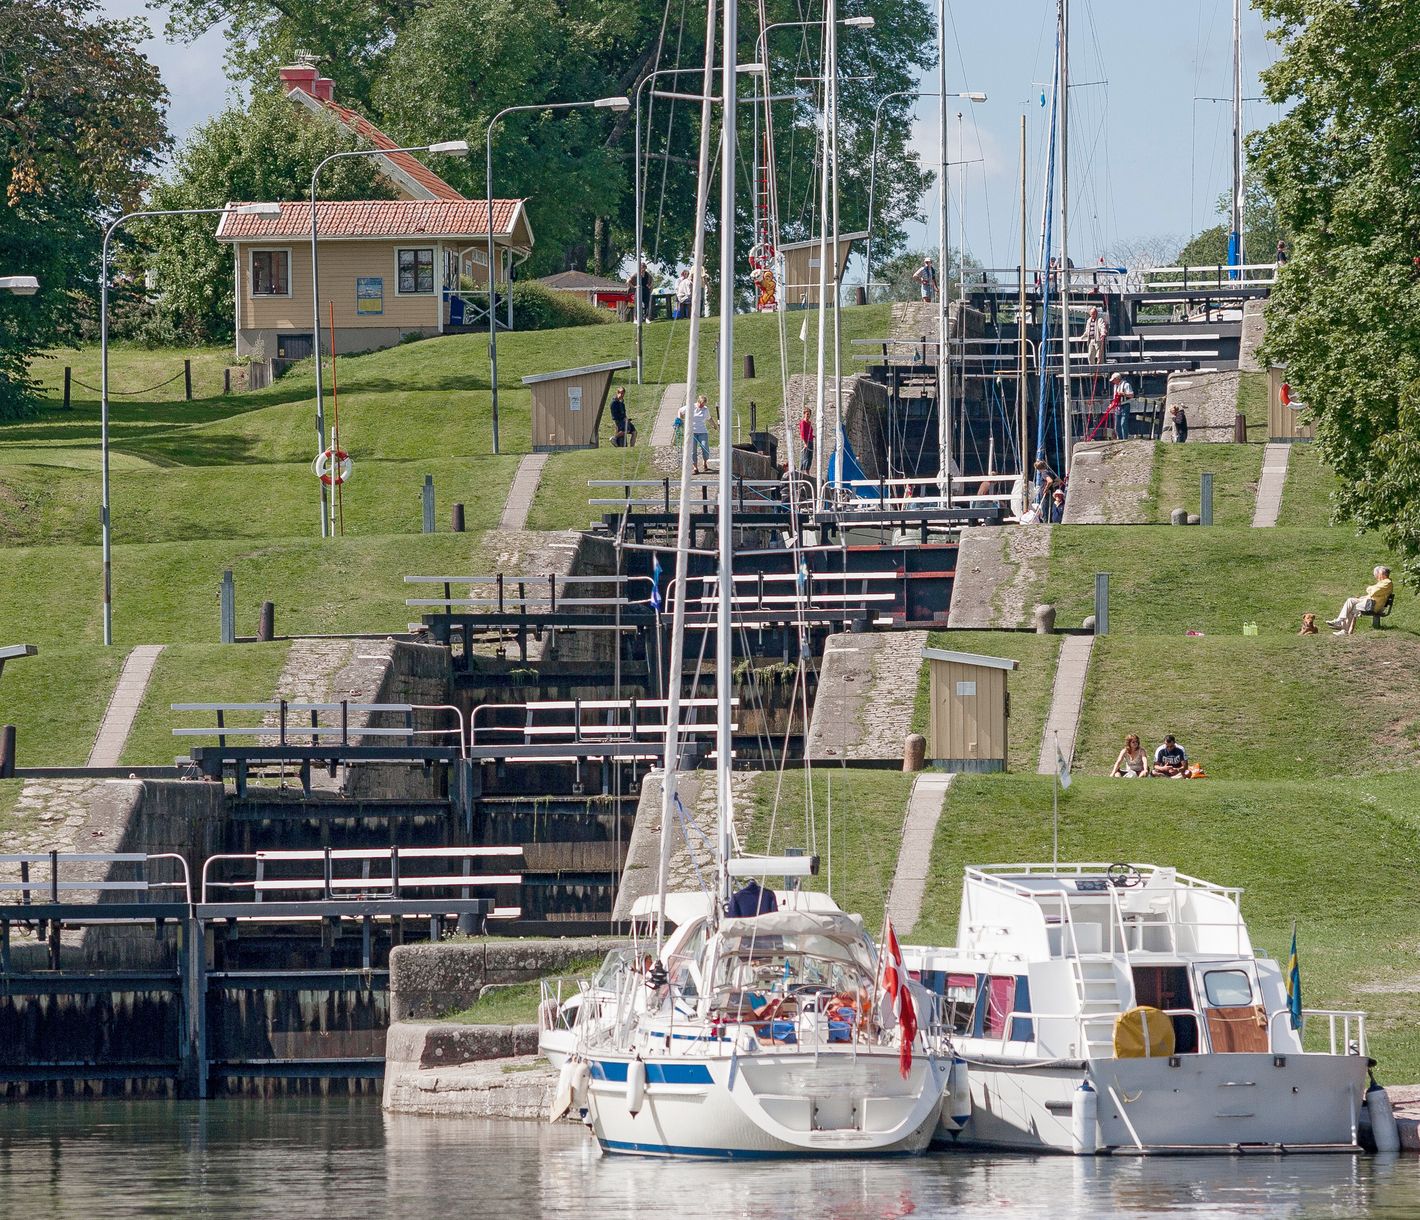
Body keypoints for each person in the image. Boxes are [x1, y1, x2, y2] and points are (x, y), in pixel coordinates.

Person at [1326, 565, 1393, 635]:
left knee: (1353, 608)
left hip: (1373, 605)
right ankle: (1339, 620)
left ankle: (1344, 630)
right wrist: (1363, 597)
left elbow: (1374, 592)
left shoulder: (1387, 583)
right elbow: (1373, 593)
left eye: (1377, 574)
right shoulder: (1382, 583)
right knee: (1350, 600)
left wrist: (1369, 588)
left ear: (1382, 574)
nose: (1376, 576)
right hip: (1369, 602)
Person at [680, 394, 711, 474]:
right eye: (701, 404)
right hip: (692, 432)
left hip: (702, 432)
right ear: (698, 402)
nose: (702, 406)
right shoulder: (691, 407)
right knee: (693, 451)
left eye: (703, 405)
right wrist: (680, 419)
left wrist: (714, 425)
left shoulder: (705, 409)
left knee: (705, 449)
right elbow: (680, 411)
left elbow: (709, 418)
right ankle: (695, 468)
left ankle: (705, 462)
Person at [1109, 372, 1136, 440]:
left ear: (1117, 379)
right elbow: (1115, 397)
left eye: (1113, 380)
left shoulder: (1126, 385)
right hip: (1118, 406)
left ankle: (1125, 439)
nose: (1113, 382)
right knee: (1117, 424)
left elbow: (1132, 395)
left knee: (1123, 423)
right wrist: (1112, 405)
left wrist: (1124, 394)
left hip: (1125, 405)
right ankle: (1120, 439)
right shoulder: (1115, 386)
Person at [798, 404, 814, 474]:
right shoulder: (803, 422)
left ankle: (808, 470)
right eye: (807, 414)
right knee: (805, 456)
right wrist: (805, 443)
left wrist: (813, 436)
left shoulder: (809, 423)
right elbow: (802, 433)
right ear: (804, 414)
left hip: (810, 441)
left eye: (809, 414)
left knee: (810, 457)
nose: (808, 416)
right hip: (806, 441)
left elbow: (809, 432)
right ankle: (803, 471)